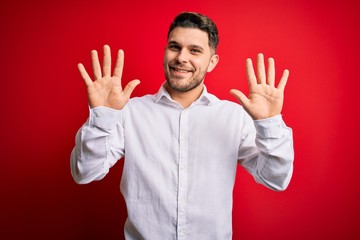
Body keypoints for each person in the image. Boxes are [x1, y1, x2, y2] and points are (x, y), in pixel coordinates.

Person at [71, 12, 294, 240]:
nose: (181, 58)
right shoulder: (129, 112)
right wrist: (102, 116)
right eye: (174, 47)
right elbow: (85, 172)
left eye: (195, 51)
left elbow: (275, 179)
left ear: (212, 62)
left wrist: (269, 123)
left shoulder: (234, 117)